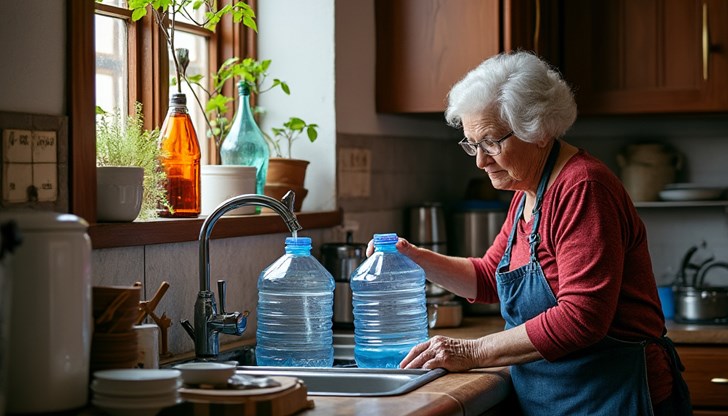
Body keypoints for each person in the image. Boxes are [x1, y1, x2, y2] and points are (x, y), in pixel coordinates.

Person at [376, 51, 691, 415]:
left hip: (613, 398)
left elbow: (582, 317)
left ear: (538, 131)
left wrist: (472, 351)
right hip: (560, 397)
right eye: (472, 145)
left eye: (491, 142)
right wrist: (412, 256)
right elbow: (489, 279)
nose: (480, 160)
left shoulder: (583, 188)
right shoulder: (528, 191)